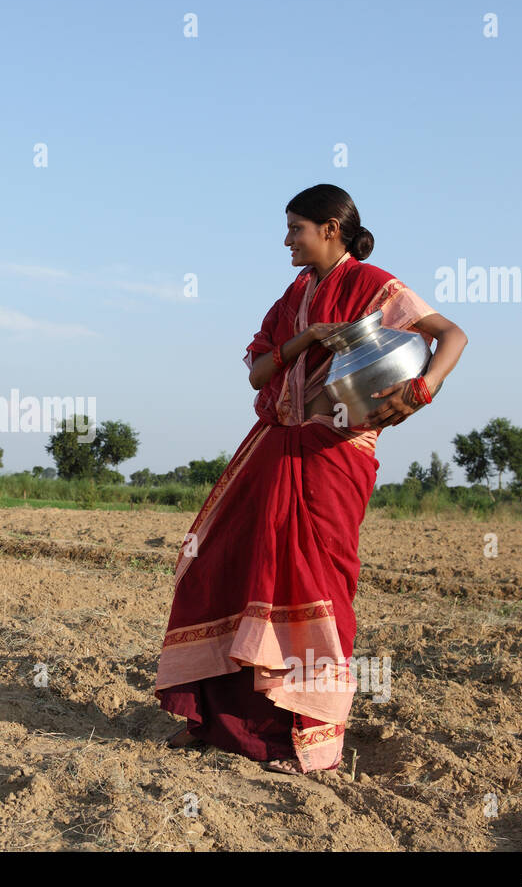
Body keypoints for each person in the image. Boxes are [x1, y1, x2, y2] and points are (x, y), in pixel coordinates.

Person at [154, 184, 468, 772]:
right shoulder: (294, 294)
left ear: (330, 228)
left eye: (295, 228)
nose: (286, 240)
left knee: (311, 583)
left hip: (335, 450)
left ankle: (306, 737)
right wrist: (305, 340)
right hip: (274, 445)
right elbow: (258, 371)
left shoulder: (377, 286)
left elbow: (452, 336)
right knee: (222, 565)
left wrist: (421, 389)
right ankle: (223, 723)